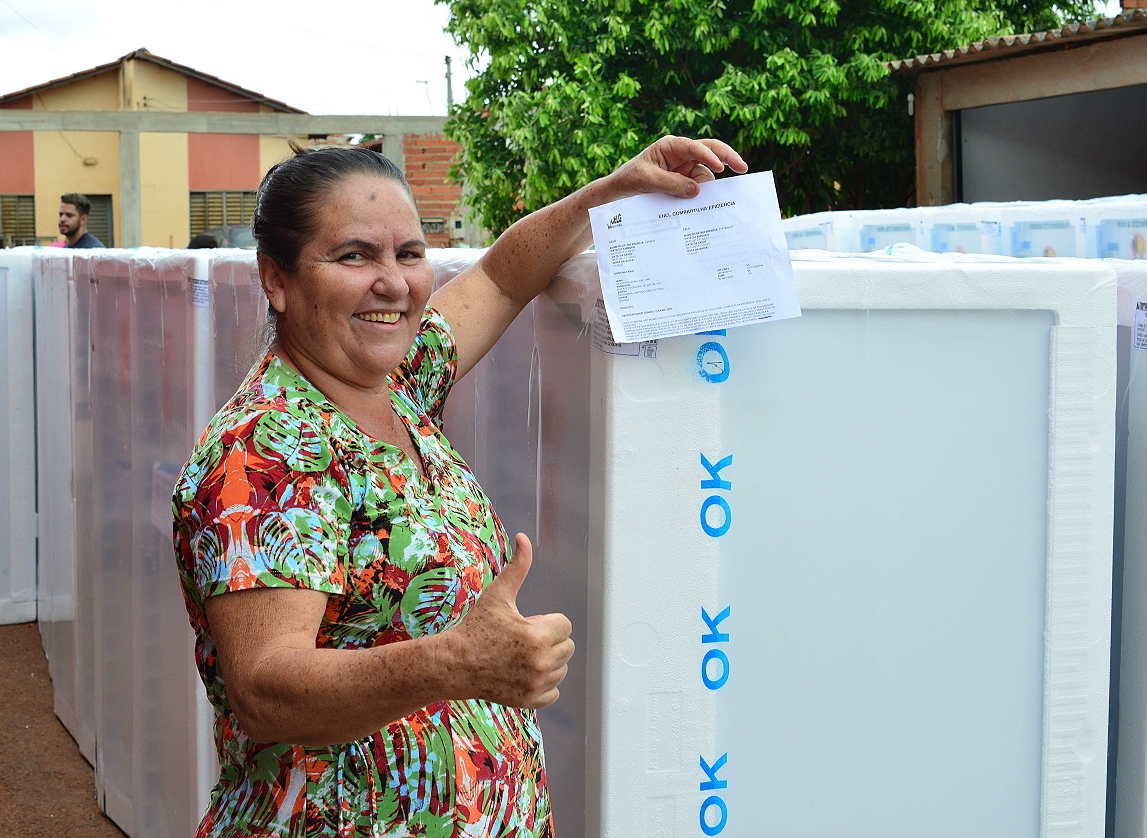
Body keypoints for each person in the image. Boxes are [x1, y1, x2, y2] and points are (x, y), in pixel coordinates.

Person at [172, 136, 747, 837]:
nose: (394, 282)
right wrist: (458, 662)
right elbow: (264, 689)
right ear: (278, 278)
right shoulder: (264, 451)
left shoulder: (396, 385)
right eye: (355, 255)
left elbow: (504, 277)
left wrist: (614, 190)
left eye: (409, 254)